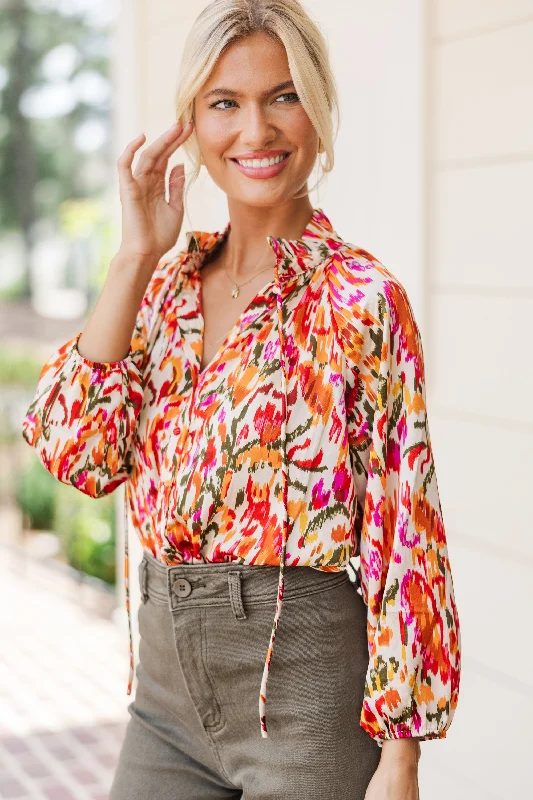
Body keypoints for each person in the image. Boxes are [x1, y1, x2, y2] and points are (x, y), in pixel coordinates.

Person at [21, 1, 461, 797]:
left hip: (306, 696)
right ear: (192, 122)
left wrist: (402, 755)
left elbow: (407, 529)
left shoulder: (362, 300)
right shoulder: (161, 287)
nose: (255, 130)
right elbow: (79, 455)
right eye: (225, 102)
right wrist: (133, 255)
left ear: (319, 113)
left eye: (282, 96)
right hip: (163, 694)